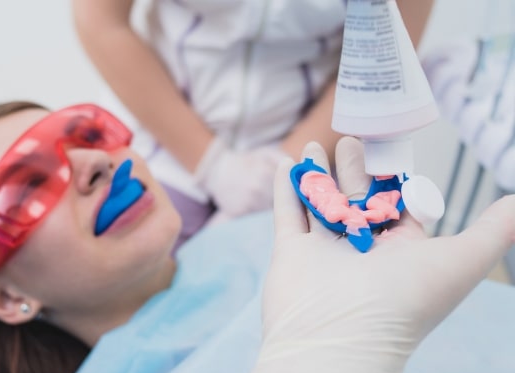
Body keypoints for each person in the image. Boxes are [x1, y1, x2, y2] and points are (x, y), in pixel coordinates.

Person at [0, 101, 514, 373]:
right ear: (4, 299)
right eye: (27, 188)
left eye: (87, 133)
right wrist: (325, 365)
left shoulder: (272, 232)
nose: (97, 162)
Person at [72, 0, 436, 246]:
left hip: (310, 146)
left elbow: (390, 42)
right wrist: (213, 164)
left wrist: (286, 170)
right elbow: (101, 22)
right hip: (164, 141)